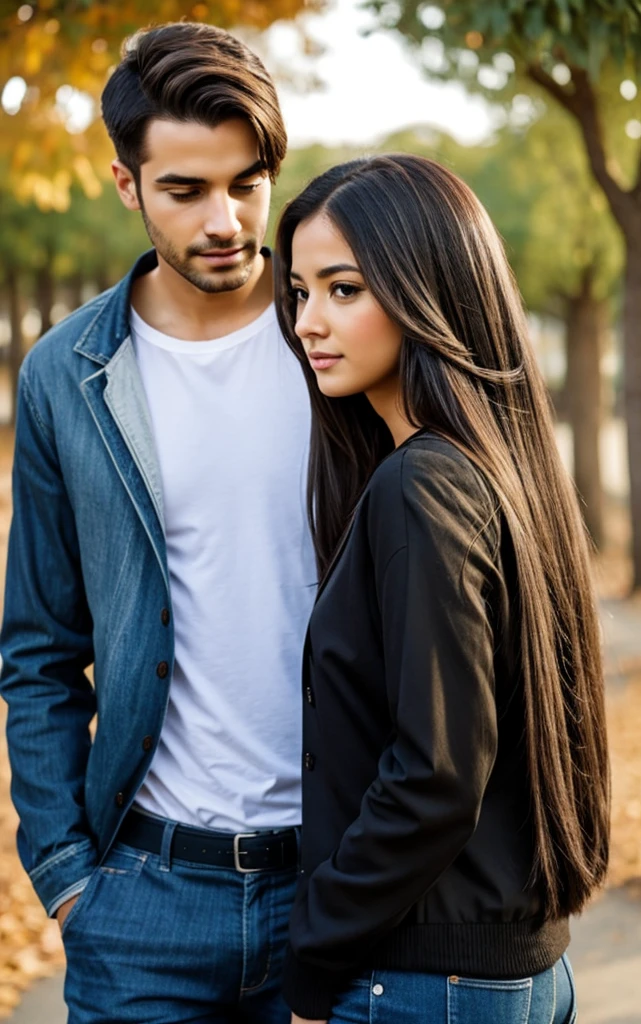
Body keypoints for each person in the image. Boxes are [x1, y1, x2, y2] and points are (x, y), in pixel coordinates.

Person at [0, 22, 316, 1024]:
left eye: (246, 182)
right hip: (144, 899)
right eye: (185, 190)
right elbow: (40, 643)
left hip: (343, 883)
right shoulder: (66, 375)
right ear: (126, 183)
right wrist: (65, 870)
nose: (225, 219)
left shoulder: (339, 341)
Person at [273, 154, 610, 1024]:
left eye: (344, 289)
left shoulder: (423, 485)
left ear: (429, 289)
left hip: (424, 985)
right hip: (508, 970)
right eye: (301, 292)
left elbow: (435, 775)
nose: (309, 321)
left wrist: (314, 951)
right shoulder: (496, 469)